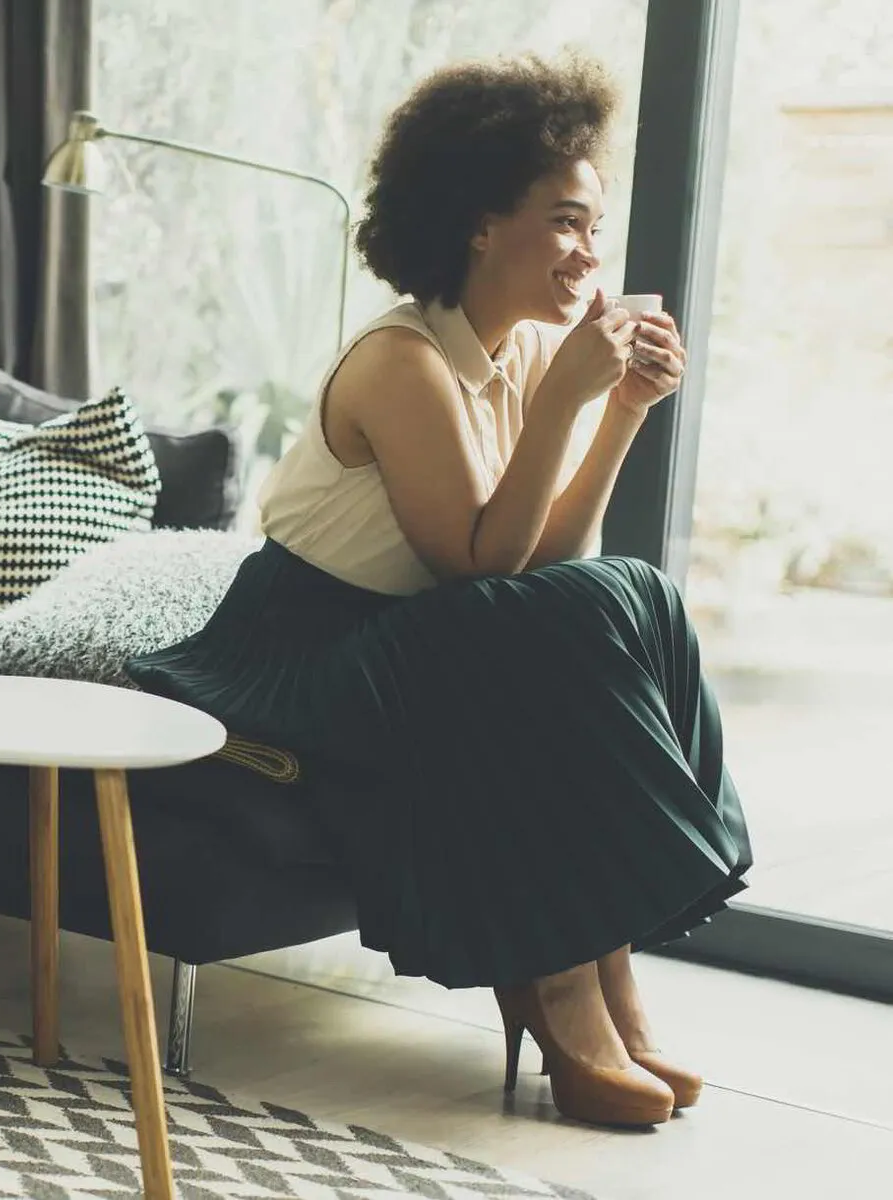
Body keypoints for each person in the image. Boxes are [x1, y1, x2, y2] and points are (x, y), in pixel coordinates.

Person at [126, 52, 753, 1130]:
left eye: (590, 225)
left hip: (417, 635)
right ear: (477, 224)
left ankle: (606, 979)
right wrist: (566, 396)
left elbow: (551, 567)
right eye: (562, 221)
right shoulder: (401, 362)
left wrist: (619, 414)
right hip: (303, 653)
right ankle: (557, 985)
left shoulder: (510, 355)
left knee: (625, 592)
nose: (587, 252)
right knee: (547, 620)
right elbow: (477, 564)